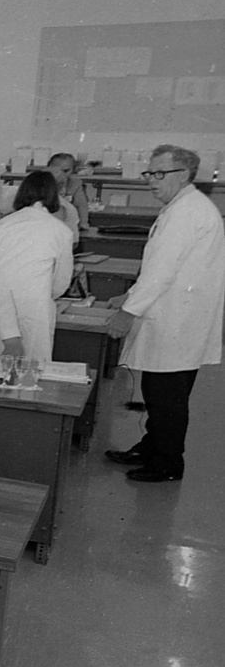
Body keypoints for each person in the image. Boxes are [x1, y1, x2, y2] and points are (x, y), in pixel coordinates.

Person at [104, 146, 225, 483]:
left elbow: (161, 272)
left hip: (178, 319)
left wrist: (127, 312)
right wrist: (129, 295)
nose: (151, 180)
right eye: (150, 173)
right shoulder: (182, 206)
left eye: (160, 173)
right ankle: (152, 447)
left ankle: (168, 462)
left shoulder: (187, 212)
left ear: (183, 175)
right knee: (160, 390)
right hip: (176, 315)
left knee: (166, 395)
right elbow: (161, 267)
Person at [0, 171, 72, 362]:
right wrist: (44, 294)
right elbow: (61, 282)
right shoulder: (61, 230)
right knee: (34, 365)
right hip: (35, 306)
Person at [47, 152, 92, 237]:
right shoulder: (40, 182)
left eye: (65, 171)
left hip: (67, 223)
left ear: (73, 170)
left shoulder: (75, 184)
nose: (60, 173)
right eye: (56, 170)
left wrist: (83, 223)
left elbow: (81, 205)